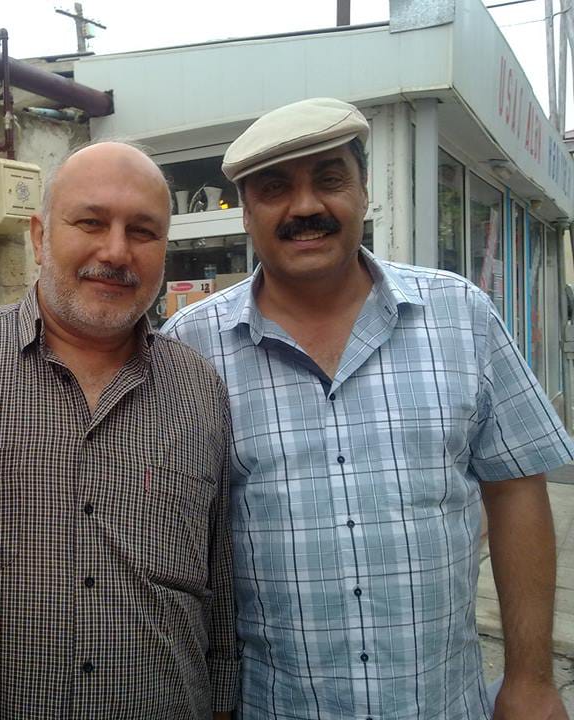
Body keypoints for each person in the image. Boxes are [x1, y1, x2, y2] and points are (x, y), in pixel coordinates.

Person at [163, 97, 574, 720]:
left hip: (440, 702)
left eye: (329, 179)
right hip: (275, 706)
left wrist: (532, 680)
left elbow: (517, 490)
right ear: (245, 213)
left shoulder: (461, 316)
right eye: (275, 189)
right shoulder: (189, 349)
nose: (305, 206)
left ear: (363, 193)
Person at [0, 141, 238, 719]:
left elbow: (218, 577)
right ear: (39, 236)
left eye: (143, 231)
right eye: (90, 222)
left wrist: (222, 702)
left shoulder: (199, 390)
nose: (115, 251)